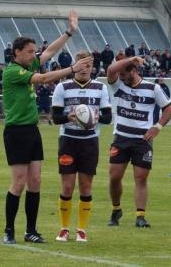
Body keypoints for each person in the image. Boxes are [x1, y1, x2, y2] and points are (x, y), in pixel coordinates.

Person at [0, 10, 92, 245]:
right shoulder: (12, 71)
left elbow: (51, 51)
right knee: (19, 181)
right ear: (16, 52)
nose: (33, 55)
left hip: (31, 130)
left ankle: (30, 230)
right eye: (29, 51)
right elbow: (42, 79)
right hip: (16, 131)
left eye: (33, 52)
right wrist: (72, 69)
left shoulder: (27, 63)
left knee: (36, 180)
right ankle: (9, 229)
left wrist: (69, 32)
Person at [106, 55, 171, 228]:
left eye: (124, 75)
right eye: (120, 76)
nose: (121, 78)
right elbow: (111, 70)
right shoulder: (118, 85)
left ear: (134, 71)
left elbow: (169, 108)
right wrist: (130, 59)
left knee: (141, 178)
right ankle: (116, 209)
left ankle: (140, 216)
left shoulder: (153, 88)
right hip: (121, 138)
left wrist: (157, 127)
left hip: (142, 141)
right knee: (114, 177)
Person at [51, 51, 112, 243]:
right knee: (67, 186)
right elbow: (56, 117)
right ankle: (64, 228)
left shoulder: (100, 88)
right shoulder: (62, 87)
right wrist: (70, 117)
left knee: (86, 186)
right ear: (75, 65)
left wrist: (95, 118)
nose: (85, 68)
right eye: (81, 64)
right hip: (68, 140)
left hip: (89, 142)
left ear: (93, 67)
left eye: (89, 64)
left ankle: (81, 230)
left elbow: (108, 118)